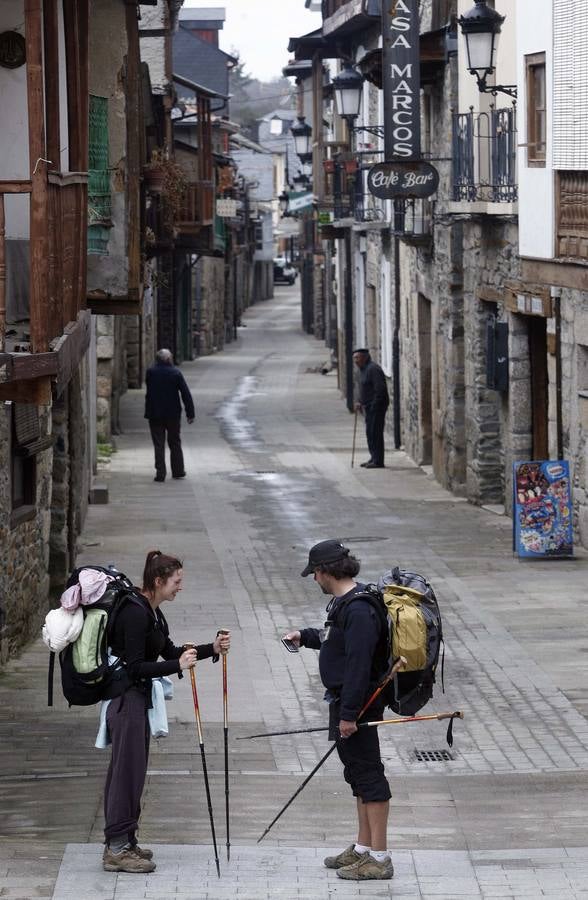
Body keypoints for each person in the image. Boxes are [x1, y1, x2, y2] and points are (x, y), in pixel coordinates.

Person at [101, 550, 230, 874]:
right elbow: (134, 668)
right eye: (176, 581)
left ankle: (127, 840)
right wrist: (177, 666)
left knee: (133, 772)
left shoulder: (152, 612)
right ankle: (116, 848)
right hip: (126, 700)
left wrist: (211, 649)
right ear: (158, 581)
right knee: (125, 774)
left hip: (138, 701)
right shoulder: (135, 613)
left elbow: (170, 652)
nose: (180, 587)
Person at [283, 540, 393, 881]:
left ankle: (380, 858)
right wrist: (305, 636)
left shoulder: (359, 610)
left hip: (358, 705)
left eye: (314, 573)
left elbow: (359, 666)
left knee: (370, 776)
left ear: (325, 571)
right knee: (357, 774)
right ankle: (363, 847)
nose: (314, 579)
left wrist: (349, 715)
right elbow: (336, 639)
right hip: (346, 702)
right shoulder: (345, 603)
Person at [144, 348, 195, 482]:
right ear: (168, 359)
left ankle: (160, 473)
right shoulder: (175, 373)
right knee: (175, 442)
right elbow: (185, 394)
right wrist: (190, 413)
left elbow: (149, 391)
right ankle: (178, 471)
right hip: (173, 414)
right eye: (171, 357)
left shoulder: (151, 372)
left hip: (155, 413)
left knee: (158, 444)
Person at [353, 349, 389, 468]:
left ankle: (378, 461)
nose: (355, 361)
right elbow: (363, 388)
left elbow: (380, 389)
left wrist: (374, 405)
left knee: (375, 433)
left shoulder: (373, 369)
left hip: (376, 407)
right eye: (354, 358)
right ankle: (373, 457)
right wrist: (359, 401)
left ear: (364, 357)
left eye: (357, 358)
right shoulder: (362, 370)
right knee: (370, 433)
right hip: (368, 407)